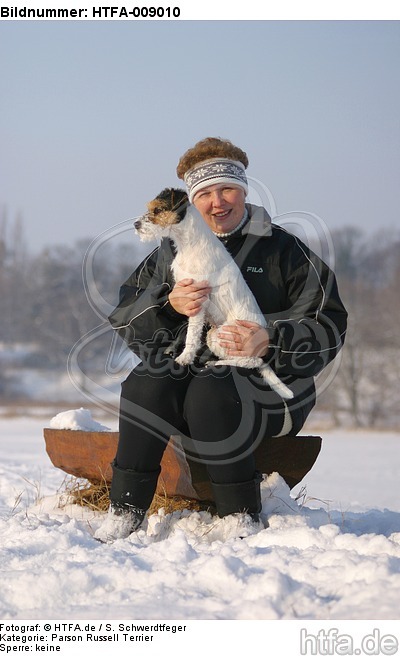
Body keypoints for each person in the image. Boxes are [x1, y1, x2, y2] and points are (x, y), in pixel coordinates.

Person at [94, 137, 348, 543]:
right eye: (205, 193)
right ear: (190, 202)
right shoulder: (169, 252)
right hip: (197, 374)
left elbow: (330, 322)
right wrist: (169, 306)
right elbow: (126, 315)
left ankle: (239, 516)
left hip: (272, 385)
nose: (218, 202)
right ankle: (126, 509)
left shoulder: (284, 249)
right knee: (145, 382)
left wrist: (271, 341)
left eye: (227, 188)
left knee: (211, 390)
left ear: (244, 190)